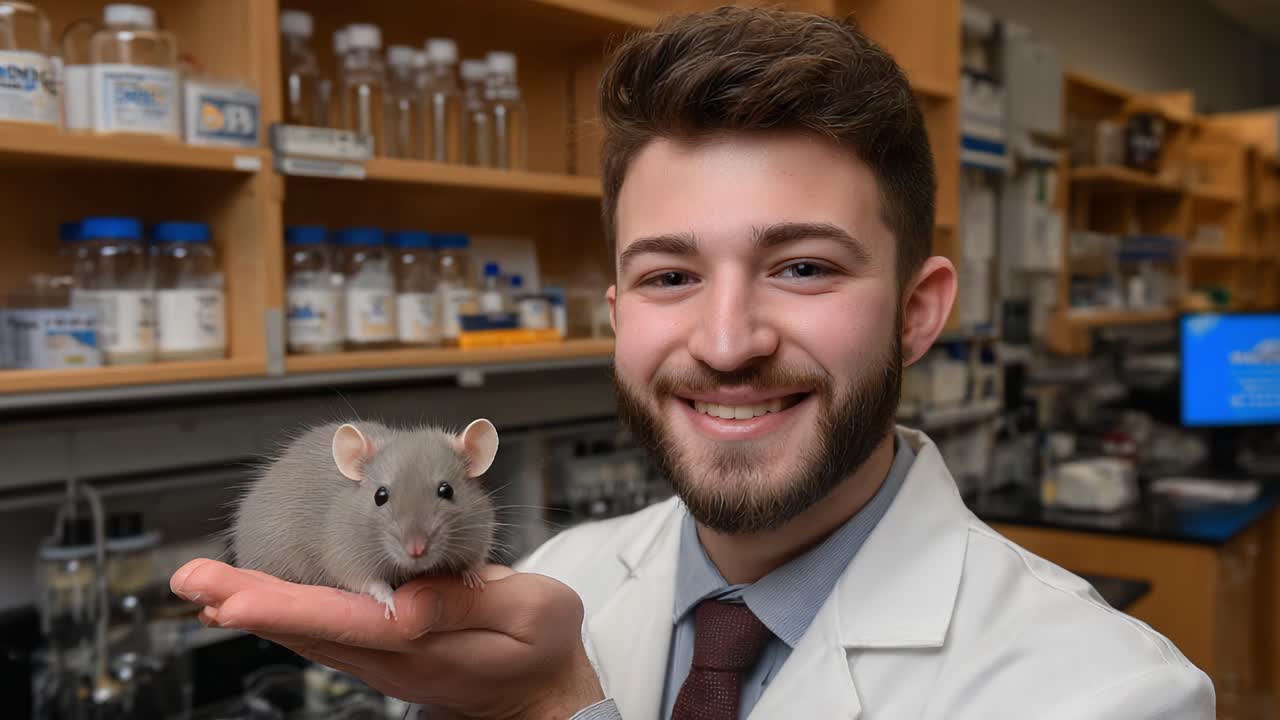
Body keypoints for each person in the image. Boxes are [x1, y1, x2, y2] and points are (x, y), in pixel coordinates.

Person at [170, 6, 1215, 719]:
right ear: (617, 313)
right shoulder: (548, 582)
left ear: (914, 311)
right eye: (669, 278)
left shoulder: (1099, 691)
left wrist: (555, 711)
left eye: (801, 266)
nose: (725, 343)